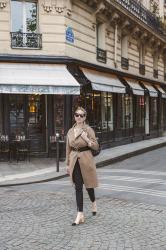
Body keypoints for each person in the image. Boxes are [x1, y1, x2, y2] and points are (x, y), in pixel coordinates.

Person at [66, 107, 99, 226]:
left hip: (86, 159)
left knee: (89, 186)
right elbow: (68, 149)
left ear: (85, 117)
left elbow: (96, 146)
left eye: (81, 115)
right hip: (74, 161)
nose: (78, 117)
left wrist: (86, 138)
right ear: (74, 116)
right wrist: (67, 164)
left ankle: (93, 202)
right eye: (76, 115)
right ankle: (80, 213)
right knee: (78, 187)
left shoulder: (89, 129)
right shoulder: (70, 131)